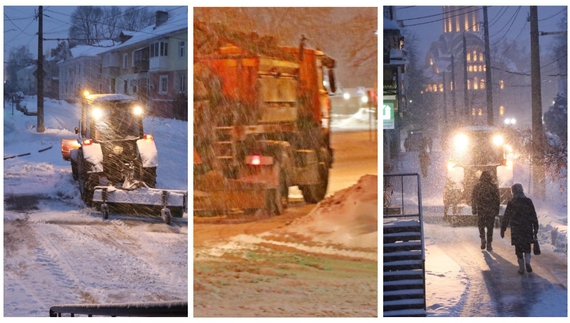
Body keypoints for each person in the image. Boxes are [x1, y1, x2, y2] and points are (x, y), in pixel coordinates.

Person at [500, 183, 539, 274]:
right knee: (527, 246)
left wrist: (503, 228)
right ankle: (528, 262)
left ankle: (521, 267)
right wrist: (535, 226)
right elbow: (533, 214)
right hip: (527, 227)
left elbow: (506, 216)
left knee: (518, 248)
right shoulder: (528, 201)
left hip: (516, 227)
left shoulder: (511, 203)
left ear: (513, 192)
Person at [471, 170, 500, 251]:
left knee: (481, 225)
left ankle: (483, 238)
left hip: (481, 209)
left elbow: (474, 199)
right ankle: (489, 243)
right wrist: (496, 210)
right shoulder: (493, 186)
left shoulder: (477, 186)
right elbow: (497, 199)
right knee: (490, 227)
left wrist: (474, 209)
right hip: (491, 210)